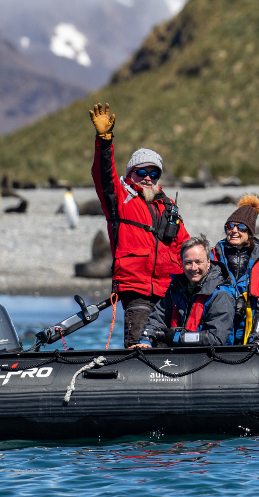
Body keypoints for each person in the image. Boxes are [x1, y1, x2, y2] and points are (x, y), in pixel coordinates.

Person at [89, 102, 191, 348]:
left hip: (170, 293)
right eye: (141, 172)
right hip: (137, 292)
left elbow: (186, 247)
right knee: (140, 350)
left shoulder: (169, 208)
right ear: (130, 173)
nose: (147, 178)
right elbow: (103, 173)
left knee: (170, 352)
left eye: (153, 174)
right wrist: (104, 140)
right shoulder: (119, 199)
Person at [137, 236, 235, 347]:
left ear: (208, 262)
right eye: (188, 262)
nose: (193, 268)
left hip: (213, 357)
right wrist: (146, 340)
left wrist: (176, 337)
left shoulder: (221, 294)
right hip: (181, 355)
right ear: (182, 263)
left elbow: (216, 338)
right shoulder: (175, 289)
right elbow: (157, 319)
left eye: (199, 262)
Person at [211, 195, 259, 345]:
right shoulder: (212, 256)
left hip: (250, 327)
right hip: (218, 327)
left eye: (241, 227)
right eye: (230, 226)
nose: (234, 230)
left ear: (250, 232)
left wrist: (258, 334)